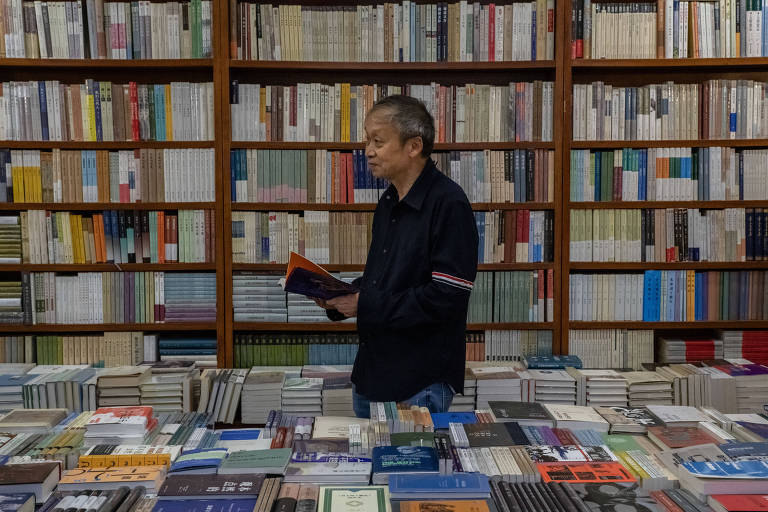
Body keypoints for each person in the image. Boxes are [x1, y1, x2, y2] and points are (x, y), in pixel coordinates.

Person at [314, 95, 479, 418]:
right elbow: (385, 279)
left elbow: (447, 298)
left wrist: (364, 303)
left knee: (407, 469)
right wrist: (340, 295)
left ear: (413, 146)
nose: (368, 151)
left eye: (378, 141)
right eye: (367, 140)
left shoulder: (449, 204)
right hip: (372, 374)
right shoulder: (389, 200)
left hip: (418, 382)